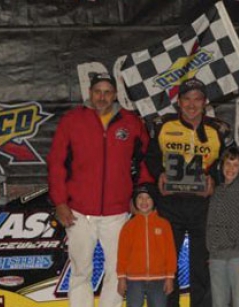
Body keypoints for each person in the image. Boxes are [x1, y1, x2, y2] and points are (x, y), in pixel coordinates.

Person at [47, 72, 153, 307]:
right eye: (98, 92)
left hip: (117, 213)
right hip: (79, 212)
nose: (102, 97)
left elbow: (145, 160)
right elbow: (56, 163)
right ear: (90, 93)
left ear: (115, 94)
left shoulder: (131, 122)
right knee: (80, 271)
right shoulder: (72, 120)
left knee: (117, 270)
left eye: (107, 92)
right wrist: (60, 202)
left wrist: (142, 195)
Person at [146, 78, 235, 307]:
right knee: (167, 267)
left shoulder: (220, 129)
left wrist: (215, 182)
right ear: (179, 102)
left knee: (202, 268)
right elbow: (150, 157)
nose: (192, 105)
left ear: (205, 102)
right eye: (187, 99)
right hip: (170, 206)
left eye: (197, 99)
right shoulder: (162, 125)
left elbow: (231, 164)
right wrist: (159, 175)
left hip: (204, 207)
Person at [206, 147, 239, 307]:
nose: (231, 169)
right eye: (228, 164)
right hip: (217, 257)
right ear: (222, 165)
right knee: (218, 302)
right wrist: (212, 251)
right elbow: (211, 222)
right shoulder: (217, 191)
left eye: (236, 165)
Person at [117, 185, 177, 307]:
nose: (144, 201)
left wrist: (170, 276)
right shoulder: (128, 227)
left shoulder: (164, 225)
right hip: (134, 280)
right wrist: (121, 278)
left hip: (159, 279)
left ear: (154, 201)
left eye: (148, 198)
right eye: (140, 198)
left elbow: (171, 253)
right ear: (134, 201)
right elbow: (122, 254)